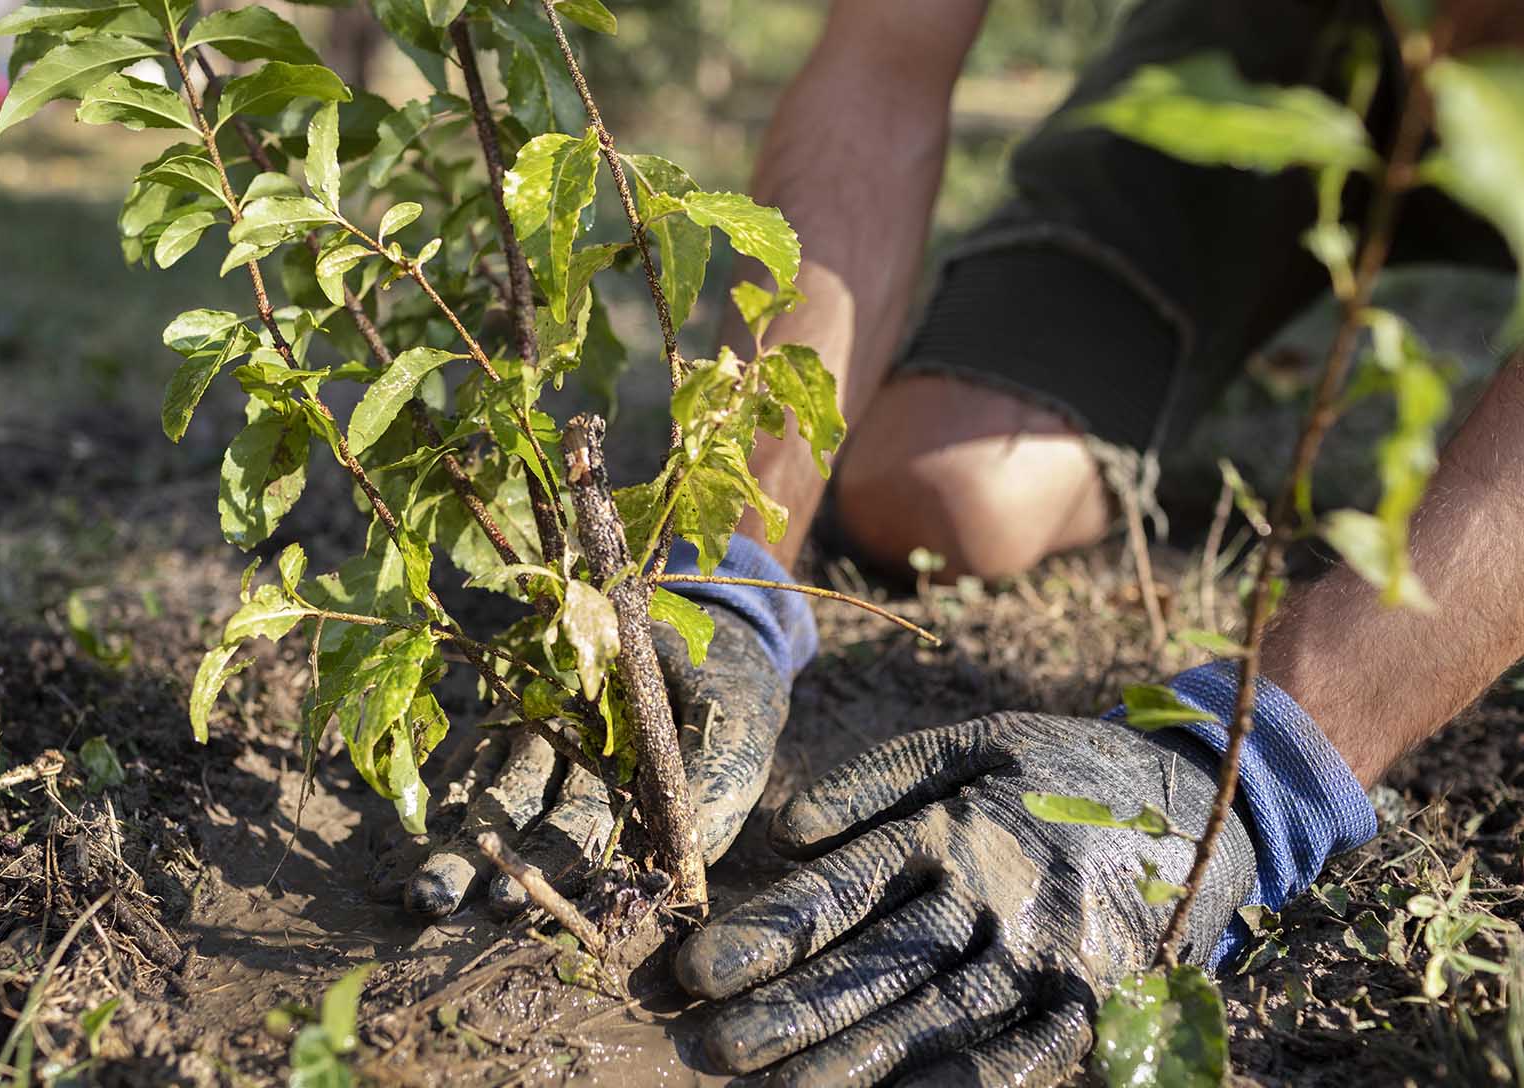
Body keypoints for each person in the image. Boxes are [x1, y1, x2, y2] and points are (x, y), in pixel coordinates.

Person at [380, 2, 1524, 1084]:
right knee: (946, 492)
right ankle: (1186, 380)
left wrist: (1259, 766)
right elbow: (882, 64)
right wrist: (722, 560)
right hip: (1286, 47)